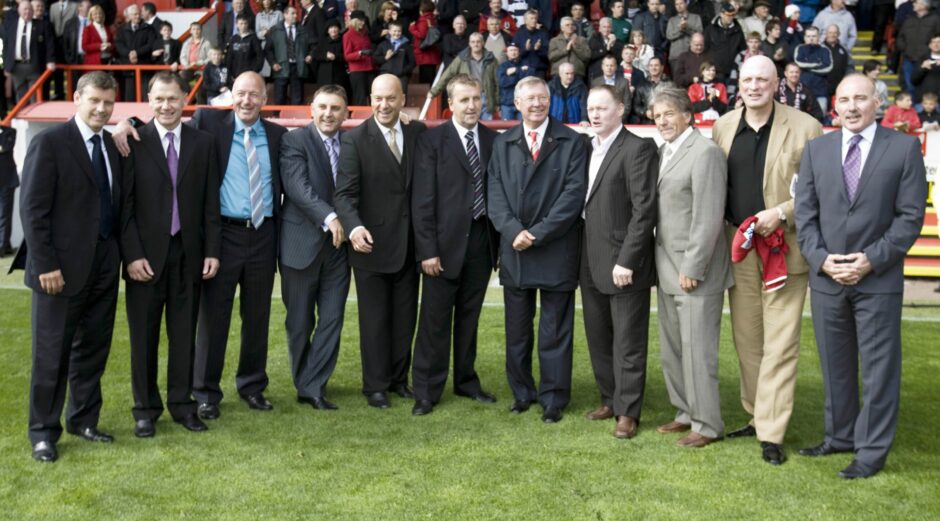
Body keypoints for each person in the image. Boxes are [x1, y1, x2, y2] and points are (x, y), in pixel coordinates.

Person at [795, 74, 927, 480]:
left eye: (860, 99)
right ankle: (840, 436)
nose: (851, 107)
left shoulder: (904, 149)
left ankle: (870, 452)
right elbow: (806, 216)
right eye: (844, 99)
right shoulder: (817, 150)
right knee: (835, 366)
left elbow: (910, 218)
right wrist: (822, 260)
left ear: (878, 104)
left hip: (877, 280)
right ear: (835, 105)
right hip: (828, 279)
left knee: (879, 369)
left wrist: (870, 260)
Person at [711, 55, 822, 466]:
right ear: (737, 83)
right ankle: (757, 415)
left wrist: (783, 212)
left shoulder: (806, 127)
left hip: (784, 250)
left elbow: (816, 190)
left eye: (762, 79)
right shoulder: (723, 126)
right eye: (747, 79)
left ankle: (772, 431)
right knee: (748, 342)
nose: (754, 85)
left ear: (777, 84)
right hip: (738, 248)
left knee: (781, 343)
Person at [16, 72, 120, 463]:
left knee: (93, 350)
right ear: (76, 98)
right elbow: (33, 209)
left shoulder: (111, 144)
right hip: (57, 271)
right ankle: (43, 432)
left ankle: (83, 419)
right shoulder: (50, 143)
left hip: (104, 267)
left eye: (108, 103)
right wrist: (45, 264)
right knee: (51, 355)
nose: (101, 109)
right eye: (94, 100)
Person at [120, 72, 220, 438]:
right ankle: (145, 410)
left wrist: (212, 250)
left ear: (184, 100)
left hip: (189, 254)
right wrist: (131, 256)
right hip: (145, 258)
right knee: (143, 338)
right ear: (149, 100)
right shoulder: (132, 141)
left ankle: (182, 405)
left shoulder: (203, 142)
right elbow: (125, 208)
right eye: (159, 99)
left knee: (183, 336)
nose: (166, 106)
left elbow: (211, 203)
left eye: (173, 99)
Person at [487, 76, 587, 424]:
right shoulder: (503, 144)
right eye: (529, 98)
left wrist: (537, 234)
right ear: (517, 102)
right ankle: (522, 392)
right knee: (517, 329)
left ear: (550, 101)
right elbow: (494, 194)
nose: (536, 104)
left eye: (542, 98)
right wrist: (514, 231)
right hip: (515, 248)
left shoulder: (573, 142)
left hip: (555, 247)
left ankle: (554, 397)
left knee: (555, 329)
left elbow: (573, 197)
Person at [334, 74, 427, 409]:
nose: (384, 105)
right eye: (378, 99)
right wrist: (355, 228)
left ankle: (399, 380)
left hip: (409, 245)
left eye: (390, 98)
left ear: (403, 99)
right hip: (370, 246)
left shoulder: (417, 133)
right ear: (370, 100)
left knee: (405, 319)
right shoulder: (355, 140)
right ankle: (375, 386)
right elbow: (344, 195)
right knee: (374, 321)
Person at [410, 75, 499, 416]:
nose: (472, 105)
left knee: (469, 317)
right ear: (451, 105)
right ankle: (426, 390)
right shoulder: (433, 142)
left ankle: (466, 381)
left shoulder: (493, 141)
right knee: (433, 321)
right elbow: (423, 201)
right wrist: (427, 250)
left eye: (476, 98)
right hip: (442, 246)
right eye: (464, 100)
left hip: (481, 241)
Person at [651, 85, 732, 448]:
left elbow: (709, 215)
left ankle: (708, 424)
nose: (662, 120)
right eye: (657, 115)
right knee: (674, 348)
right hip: (666, 266)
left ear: (687, 114)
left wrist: (694, 265)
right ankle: (684, 412)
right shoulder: (661, 153)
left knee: (698, 350)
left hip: (693, 270)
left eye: (669, 113)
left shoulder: (706, 153)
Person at [579, 84, 656, 439]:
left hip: (624, 264)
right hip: (590, 261)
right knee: (599, 336)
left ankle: (628, 412)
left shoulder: (638, 148)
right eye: (591, 108)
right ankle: (609, 399)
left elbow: (644, 211)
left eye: (602, 108)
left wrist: (628, 259)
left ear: (621, 109)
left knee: (628, 341)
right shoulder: (586, 147)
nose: (595, 114)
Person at [279, 84, 351, 410]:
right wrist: (330, 217)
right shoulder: (295, 140)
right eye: (322, 107)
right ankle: (303, 379)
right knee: (299, 323)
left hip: (339, 251)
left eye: (335, 108)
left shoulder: (351, 143)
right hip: (301, 245)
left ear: (346, 112)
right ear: (311, 108)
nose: (328, 114)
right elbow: (298, 188)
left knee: (332, 319)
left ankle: (313, 385)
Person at [429, 32, 499, 119]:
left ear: (483, 43)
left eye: (478, 42)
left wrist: (497, 102)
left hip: (486, 98)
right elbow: (447, 75)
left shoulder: (491, 59)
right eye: (473, 42)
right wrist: (434, 91)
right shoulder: (461, 59)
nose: (476, 44)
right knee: (469, 125)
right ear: (469, 44)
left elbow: (498, 82)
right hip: (467, 96)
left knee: (486, 128)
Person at [3, 1, 56, 102]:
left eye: (30, 9)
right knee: (21, 97)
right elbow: (7, 46)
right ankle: (23, 117)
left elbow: (49, 44)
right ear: (19, 10)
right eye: (25, 9)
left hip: (34, 66)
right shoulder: (11, 25)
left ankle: (34, 118)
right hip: (17, 67)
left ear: (33, 11)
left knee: (35, 96)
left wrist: (50, 60)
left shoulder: (42, 25)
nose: (27, 11)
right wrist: (6, 65)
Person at [266, 6, 314, 105]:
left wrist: (310, 55)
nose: (295, 16)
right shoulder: (275, 30)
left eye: (296, 13)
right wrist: (273, 63)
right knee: (279, 96)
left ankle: (296, 119)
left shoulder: (303, 30)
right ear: (285, 15)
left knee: (297, 97)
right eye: (292, 13)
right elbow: (268, 50)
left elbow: (313, 46)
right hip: (281, 67)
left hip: (298, 66)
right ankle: (277, 118)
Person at [896, 0, 939, 95]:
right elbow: (900, 37)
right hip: (909, 58)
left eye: (916, 3)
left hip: (927, 58)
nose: (913, 4)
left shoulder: (936, 19)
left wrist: (931, 50)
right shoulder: (909, 19)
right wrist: (904, 49)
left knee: (925, 86)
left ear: (924, 5)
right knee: (909, 86)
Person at [115, 4, 156, 99]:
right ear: (129, 16)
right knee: (129, 96)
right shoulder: (122, 29)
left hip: (144, 67)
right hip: (127, 67)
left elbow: (150, 44)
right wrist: (129, 54)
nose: (137, 16)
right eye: (134, 14)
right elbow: (119, 44)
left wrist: (136, 53)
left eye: (139, 14)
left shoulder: (148, 28)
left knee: (146, 95)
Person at [794, 26, 832, 113]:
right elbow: (798, 63)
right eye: (808, 36)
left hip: (820, 92)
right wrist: (817, 64)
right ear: (804, 38)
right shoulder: (799, 48)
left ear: (818, 37)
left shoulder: (825, 50)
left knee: (821, 120)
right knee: (800, 120)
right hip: (802, 91)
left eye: (814, 36)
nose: (811, 39)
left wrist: (807, 68)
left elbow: (828, 67)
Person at [704, 2, 744, 83]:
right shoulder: (710, 29)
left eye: (732, 15)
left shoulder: (738, 30)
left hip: (733, 72)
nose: (730, 17)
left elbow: (743, 50)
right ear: (721, 14)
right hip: (715, 72)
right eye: (728, 15)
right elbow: (705, 49)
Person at [374, 20, 416, 93]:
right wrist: (385, 58)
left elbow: (412, 62)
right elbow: (375, 59)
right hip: (385, 75)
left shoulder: (407, 45)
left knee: (401, 95)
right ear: (389, 31)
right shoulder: (383, 44)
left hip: (402, 76)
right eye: (394, 31)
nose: (397, 33)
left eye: (399, 31)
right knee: (385, 94)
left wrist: (403, 71)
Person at [497, 42, 536, 119]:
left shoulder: (526, 63)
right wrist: (520, 72)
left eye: (515, 50)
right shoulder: (502, 66)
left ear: (519, 52)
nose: (513, 52)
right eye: (511, 50)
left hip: (523, 102)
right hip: (507, 103)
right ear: (507, 53)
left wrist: (515, 70)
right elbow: (502, 82)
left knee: (523, 128)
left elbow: (528, 81)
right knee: (507, 129)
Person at [343, 11, 374, 106]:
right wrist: (360, 53)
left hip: (370, 68)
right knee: (360, 97)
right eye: (360, 20)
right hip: (357, 70)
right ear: (354, 21)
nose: (363, 23)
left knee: (373, 95)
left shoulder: (366, 33)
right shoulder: (348, 35)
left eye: (363, 20)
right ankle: (359, 118)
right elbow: (347, 56)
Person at [591, 54, 633, 122]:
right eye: (607, 65)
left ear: (616, 67)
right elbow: (593, 103)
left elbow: (627, 104)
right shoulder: (595, 83)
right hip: (600, 120)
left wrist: (618, 119)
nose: (609, 68)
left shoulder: (624, 82)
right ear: (602, 67)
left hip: (619, 120)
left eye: (611, 65)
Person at [667, 0, 703, 75]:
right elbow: (669, 36)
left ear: (686, 4)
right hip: (676, 56)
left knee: (693, 79)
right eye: (677, 4)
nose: (679, 6)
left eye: (681, 3)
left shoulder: (696, 17)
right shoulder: (672, 20)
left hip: (692, 55)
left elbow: (699, 33)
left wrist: (687, 28)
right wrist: (680, 30)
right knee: (677, 81)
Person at [225, 14, 265, 81]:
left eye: (245, 23)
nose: (243, 26)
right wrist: (229, 73)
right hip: (235, 75)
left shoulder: (253, 38)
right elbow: (229, 57)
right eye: (241, 24)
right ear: (237, 24)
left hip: (249, 75)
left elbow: (260, 56)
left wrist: (254, 71)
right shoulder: (233, 39)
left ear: (248, 24)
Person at [410, 0, 442, 84]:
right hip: (431, 54)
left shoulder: (423, 20)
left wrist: (412, 28)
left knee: (425, 81)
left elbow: (421, 35)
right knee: (430, 79)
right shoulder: (432, 19)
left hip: (425, 55)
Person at [511, 10, 549, 76]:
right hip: (523, 70)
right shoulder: (519, 35)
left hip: (539, 70)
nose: (534, 20)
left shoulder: (543, 34)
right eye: (531, 18)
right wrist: (525, 49)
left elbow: (547, 54)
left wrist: (538, 49)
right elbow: (513, 54)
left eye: (535, 18)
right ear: (525, 21)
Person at [313, 20, 348, 91]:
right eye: (331, 28)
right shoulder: (323, 41)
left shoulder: (343, 40)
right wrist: (325, 56)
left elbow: (346, 56)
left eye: (335, 27)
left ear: (339, 29)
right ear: (328, 31)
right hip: (324, 74)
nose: (333, 30)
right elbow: (315, 54)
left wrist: (336, 57)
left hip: (339, 74)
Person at [0, 125, 16, 257]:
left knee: (4, 214)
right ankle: (7, 244)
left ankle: (2, 246)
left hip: (7, 181)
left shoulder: (9, 132)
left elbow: (5, 147)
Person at [823, 25, 850, 102]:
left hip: (839, 87)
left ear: (838, 34)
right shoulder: (820, 48)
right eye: (830, 32)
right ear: (826, 34)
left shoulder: (843, 50)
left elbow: (847, 67)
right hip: (823, 88)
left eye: (835, 33)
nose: (832, 35)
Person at [912, 34, 940, 104]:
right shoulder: (922, 59)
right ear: (929, 45)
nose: (936, 44)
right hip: (924, 102)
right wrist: (922, 68)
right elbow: (913, 80)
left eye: (939, 42)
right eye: (933, 42)